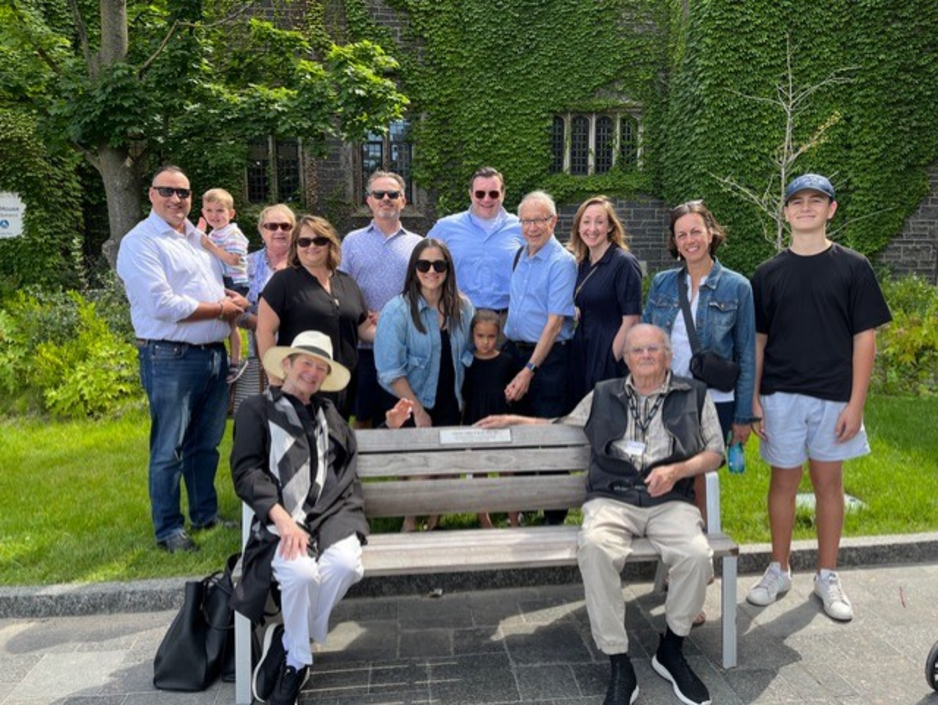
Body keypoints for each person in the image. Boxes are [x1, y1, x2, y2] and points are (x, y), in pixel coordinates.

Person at [477, 324, 723, 705]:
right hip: (612, 497)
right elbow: (560, 424)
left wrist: (676, 471)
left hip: (669, 499)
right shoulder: (604, 394)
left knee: (695, 554)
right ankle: (618, 660)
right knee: (594, 548)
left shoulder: (695, 395)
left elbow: (715, 452)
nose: (644, 355)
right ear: (625, 358)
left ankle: (672, 647)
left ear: (668, 355)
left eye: (653, 349)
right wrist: (514, 421)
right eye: (636, 350)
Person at [747, 174, 891, 622]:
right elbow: (757, 343)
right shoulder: (768, 273)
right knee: (783, 484)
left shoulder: (853, 267)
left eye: (816, 201)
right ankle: (779, 568)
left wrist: (856, 403)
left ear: (831, 209)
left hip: (834, 397)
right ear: (786, 211)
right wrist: (752, 400)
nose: (806, 208)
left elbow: (864, 340)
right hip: (780, 396)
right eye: (797, 201)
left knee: (830, 484)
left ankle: (827, 576)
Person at [229, 331, 367, 705]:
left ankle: (290, 640)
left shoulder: (328, 414)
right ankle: (298, 662)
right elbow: (246, 472)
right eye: (305, 362)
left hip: (330, 514)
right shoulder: (256, 410)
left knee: (346, 566)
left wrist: (388, 419)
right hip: (279, 518)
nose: (312, 372)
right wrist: (283, 518)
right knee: (302, 573)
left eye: (320, 367)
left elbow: (344, 466)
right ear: (286, 364)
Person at [116, 165, 248, 553]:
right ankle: (169, 529)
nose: (177, 199)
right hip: (170, 357)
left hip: (212, 356)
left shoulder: (196, 238)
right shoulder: (141, 242)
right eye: (167, 191)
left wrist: (232, 300)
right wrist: (221, 308)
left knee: (205, 444)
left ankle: (204, 514)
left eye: (184, 192)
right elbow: (163, 304)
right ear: (151, 195)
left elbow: (212, 285)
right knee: (169, 447)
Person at [643, 201, 757, 520]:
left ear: (711, 233)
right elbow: (646, 339)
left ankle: (702, 549)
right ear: (674, 242)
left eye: (696, 231)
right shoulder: (663, 283)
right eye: (682, 234)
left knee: (699, 477)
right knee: (666, 473)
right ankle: (676, 553)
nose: (690, 240)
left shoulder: (737, 287)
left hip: (714, 400)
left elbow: (747, 354)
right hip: (667, 396)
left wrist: (743, 416)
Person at [374, 238, 475, 531]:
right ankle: (409, 524)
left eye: (439, 264)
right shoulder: (397, 310)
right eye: (424, 264)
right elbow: (390, 370)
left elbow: (468, 354)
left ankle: (432, 526)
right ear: (414, 269)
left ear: (448, 269)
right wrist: (417, 410)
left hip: (449, 396)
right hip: (407, 398)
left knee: (444, 469)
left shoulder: (463, 307)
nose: (431, 270)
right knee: (421, 465)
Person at [257, 215, 373, 418]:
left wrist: (399, 328)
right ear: (296, 246)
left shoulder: (347, 283)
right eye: (304, 241)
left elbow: (364, 330)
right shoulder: (283, 282)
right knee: (302, 446)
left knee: (336, 443)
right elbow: (264, 331)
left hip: (342, 384)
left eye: (319, 240)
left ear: (330, 244)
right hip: (301, 385)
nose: (312, 246)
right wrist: (276, 380)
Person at [339, 171, 422, 428]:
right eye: (379, 194)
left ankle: (404, 470)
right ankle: (356, 468)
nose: (386, 199)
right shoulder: (352, 242)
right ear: (369, 201)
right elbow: (341, 289)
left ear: (403, 200)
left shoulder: (418, 245)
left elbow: (425, 293)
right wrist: (364, 315)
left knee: (404, 420)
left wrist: (390, 316)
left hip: (405, 349)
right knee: (362, 418)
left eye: (393, 194)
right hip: (364, 349)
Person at [567, 195, 643, 405]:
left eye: (600, 222)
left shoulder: (623, 263)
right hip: (583, 351)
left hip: (608, 354)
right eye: (586, 221)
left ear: (610, 226)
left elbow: (632, 320)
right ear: (579, 227)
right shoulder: (583, 264)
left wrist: (611, 358)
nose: (592, 228)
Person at [427, 166, 524, 320]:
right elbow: (422, 265)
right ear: (470, 194)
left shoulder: (521, 227)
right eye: (480, 193)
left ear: (503, 194)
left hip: (506, 320)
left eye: (493, 194)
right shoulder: (445, 228)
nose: (486, 199)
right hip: (458, 317)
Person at [461, 309, 522, 528]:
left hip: (501, 423)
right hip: (476, 421)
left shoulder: (507, 361)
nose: (485, 342)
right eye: (480, 336)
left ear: (498, 336)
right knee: (480, 472)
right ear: (472, 335)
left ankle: (514, 519)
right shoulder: (467, 363)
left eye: (491, 336)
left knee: (508, 472)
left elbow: (515, 395)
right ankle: (484, 518)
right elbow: (465, 394)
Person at [198, 187, 250, 383]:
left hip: (235, 282)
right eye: (209, 210)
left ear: (231, 213)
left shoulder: (233, 234)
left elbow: (233, 260)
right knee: (220, 321)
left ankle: (236, 361)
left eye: (220, 211)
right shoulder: (214, 233)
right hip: (221, 282)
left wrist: (210, 246)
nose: (214, 215)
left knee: (231, 323)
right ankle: (225, 359)